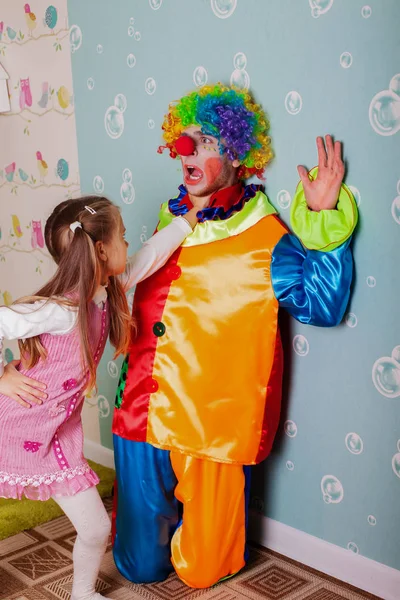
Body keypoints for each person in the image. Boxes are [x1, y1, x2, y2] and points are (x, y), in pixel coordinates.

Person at [111, 83, 358, 589]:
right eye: (184, 140)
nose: (186, 151)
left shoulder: (266, 235)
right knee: (138, 568)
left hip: (212, 430)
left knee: (202, 572)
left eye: (204, 141)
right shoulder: (170, 216)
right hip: (140, 412)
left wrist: (324, 217)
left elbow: (322, 305)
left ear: (239, 155)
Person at [0, 195, 197, 600]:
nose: (129, 241)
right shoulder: (59, 311)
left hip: (58, 435)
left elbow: (146, 259)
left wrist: (186, 223)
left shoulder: (106, 293)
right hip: (13, 427)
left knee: (95, 528)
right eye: (123, 236)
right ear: (102, 250)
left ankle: (83, 594)